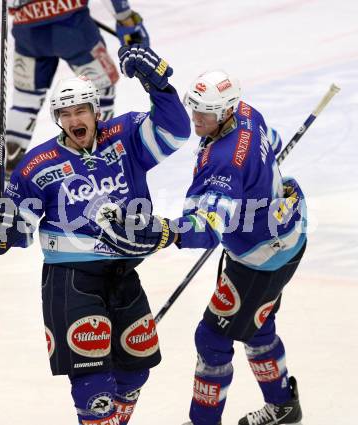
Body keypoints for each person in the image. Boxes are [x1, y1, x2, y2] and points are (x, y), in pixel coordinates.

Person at [0, 45, 190, 425]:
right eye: (65, 113)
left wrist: (159, 86)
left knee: (135, 370)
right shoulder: (36, 165)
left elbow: (175, 131)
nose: (74, 119)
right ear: (58, 118)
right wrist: (2, 229)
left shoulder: (125, 136)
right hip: (71, 280)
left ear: (96, 111)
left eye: (81, 110)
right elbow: (18, 231)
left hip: (123, 274)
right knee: (93, 387)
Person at [99, 70, 307, 425]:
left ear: (226, 110)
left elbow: (208, 227)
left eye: (205, 113)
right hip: (282, 238)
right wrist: (258, 179)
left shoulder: (224, 163)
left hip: (260, 257)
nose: (196, 118)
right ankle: (283, 405)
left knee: (211, 338)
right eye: (193, 109)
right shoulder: (248, 113)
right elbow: (272, 141)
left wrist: (166, 231)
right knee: (256, 326)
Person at [5, 0, 150, 178]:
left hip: (27, 32)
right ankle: (100, 155)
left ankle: (11, 164)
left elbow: (11, 7)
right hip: (73, 28)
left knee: (26, 99)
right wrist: (126, 19)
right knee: (101, 90)